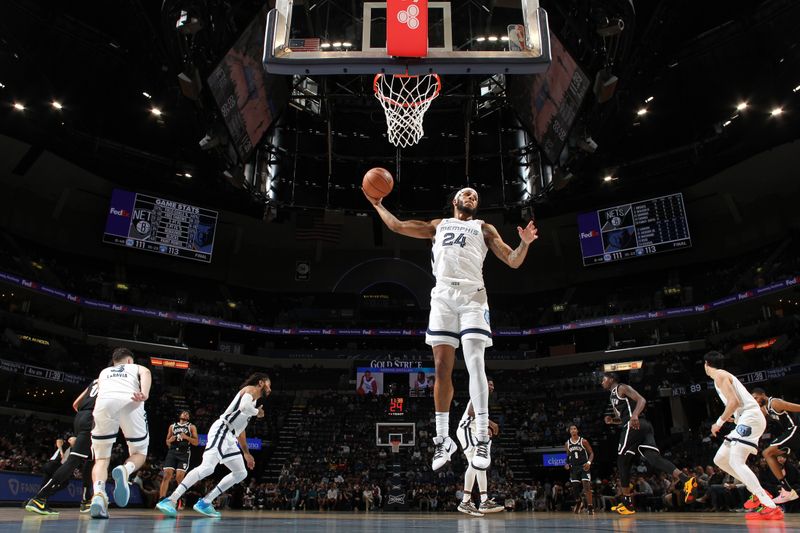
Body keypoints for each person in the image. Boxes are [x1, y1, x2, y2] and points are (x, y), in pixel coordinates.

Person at [365, 186, 537, 471]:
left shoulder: (484, 228)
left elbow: (513, 260)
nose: (472, 198)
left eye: (476, 198)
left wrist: (525, 243)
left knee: (475, 362)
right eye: (467, 195)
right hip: (443, 297)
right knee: (442, 367)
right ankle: (443, 440)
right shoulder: (438, 226)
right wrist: (377, 204)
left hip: (473, 298)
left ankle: (482, 436)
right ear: (455, 201)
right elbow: (397, 226)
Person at [156, 372, 271, 518]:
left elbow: (240, 431)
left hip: (230, 436)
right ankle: (171, 500)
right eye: (269, 384)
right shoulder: (251, 390)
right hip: (222, 430)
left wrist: (246, 453)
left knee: (241, 472)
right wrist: (257, 412)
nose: (270, 389)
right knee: (207, 468)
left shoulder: (254, 402)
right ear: (260, 383)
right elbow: (244, 407)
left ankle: (206, 502)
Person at [600, 372, 695, 515]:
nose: (602, 382)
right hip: (642, 426)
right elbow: (624, 417)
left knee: (622, 461)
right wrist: (612, 421)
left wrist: (635, 415)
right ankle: (686, 480)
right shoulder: (612, 396)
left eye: (604, 379)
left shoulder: (622, 387)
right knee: (654, 459)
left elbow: (642, 400)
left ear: (612, 379)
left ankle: (627, 503)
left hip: (635, 425)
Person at [704, 351, 783, 520]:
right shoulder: (723, 375)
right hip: (745, 419)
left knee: (735, 460)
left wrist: (718, 423)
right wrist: (735, 419)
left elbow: (734, 402)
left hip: (751, 418)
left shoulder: (719, 375)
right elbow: (738, 404)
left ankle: (770, 505)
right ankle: (757, 492)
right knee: (720, 459)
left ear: (706, 364)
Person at [89, 348, 152, 519]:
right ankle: (125, 470)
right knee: (139, 453)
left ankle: (99, 495)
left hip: (104, 404)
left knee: (101, 459)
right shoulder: (134, 367)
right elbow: (146, 372)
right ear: (130, 361)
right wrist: (144, 394)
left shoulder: (104, 372)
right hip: (131, 401)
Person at [25, 379, 98, 515]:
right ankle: (39, 499)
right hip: (91, 419)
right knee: (74, 460)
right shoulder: (115, 380)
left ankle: (86, 500)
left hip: (80, 416)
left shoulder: (95, 381)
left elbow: (75, 404)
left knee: (91, 459)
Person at [456, 379, 503, 516]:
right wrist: (491, 423)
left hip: (472, 431)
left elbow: (477, 419)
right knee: (475, 463)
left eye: (493, 384)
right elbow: (471, 412)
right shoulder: (478, 393)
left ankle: (484, 501)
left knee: (479, 466)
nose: (492, 387)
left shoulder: (484, 399)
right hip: (466, 430)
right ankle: (465, 502)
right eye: (489, 383)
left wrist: (483, 429)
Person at [752, 387, 800, 504]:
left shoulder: (775, 403)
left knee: (767, 452)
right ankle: (786, 490)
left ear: (763, 395)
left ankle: (787, 490)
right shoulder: (765, 408)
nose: (756, 401)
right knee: (768, 454)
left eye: (756, 398)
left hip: (795, 430)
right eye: (754, 399)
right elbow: (756, 418)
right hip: (790, 434)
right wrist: (734, 419)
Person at [159, 410, 199, 505]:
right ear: (180, 415)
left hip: (184, 453)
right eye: (184, 413)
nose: (185, 414)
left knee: (179, 477)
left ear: (188, 418)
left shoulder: (191, 427)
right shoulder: (172, 426)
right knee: (166, 476)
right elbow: (167, 442)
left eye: (187, 414)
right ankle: (161, 499)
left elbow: (196, 442)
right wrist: (170, 440)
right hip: (172, 451)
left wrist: (186, 437)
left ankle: (180, 498)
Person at [564, 424, 595, 514]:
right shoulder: (567, 443)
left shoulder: (583, 441)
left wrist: (589, 463)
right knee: (575, 488)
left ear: (577, 431)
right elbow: (568, 455)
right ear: (569, 432)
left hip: (583, 466)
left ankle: (590, 507)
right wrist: (566, 463)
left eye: (575, 429)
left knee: (586, 487)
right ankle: (579, 502)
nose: (573, 430)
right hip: (574, 467)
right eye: (571, 429)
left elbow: (591, 453)